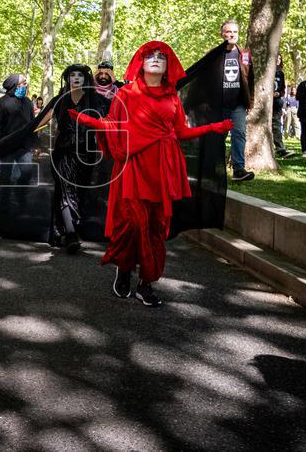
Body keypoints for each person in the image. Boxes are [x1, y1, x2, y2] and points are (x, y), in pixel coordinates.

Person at [71, 42, 233, 306]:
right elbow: (113, 124)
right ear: (141, 63)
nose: (156, 59)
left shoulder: (172, 97)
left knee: (156, 228)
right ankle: (124, 269)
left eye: (161, 56)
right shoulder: (126, 93)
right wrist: (92, 122)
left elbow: (181, 132)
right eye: (150, 56)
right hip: (134, 167)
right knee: (131, 223)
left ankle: (146, 282)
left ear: (168, 65)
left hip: (162, 168)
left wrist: (212, 128)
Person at [34, 64, 108, 254]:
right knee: (66, 190)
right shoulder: (60, 100)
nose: (76, 78)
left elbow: (111, 119)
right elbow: (40, 122)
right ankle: (71, 233)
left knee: (79, 192)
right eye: (72, 75)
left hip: (86, 154)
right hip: (64, 151)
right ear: (67, 79)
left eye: (80, 75)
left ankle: (71, 228)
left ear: (85, 79)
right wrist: (27, 138)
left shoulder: (95, 99)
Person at [218, 20, 254, 181]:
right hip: (219, 104)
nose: (232, 34)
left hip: (238, 104)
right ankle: (216, 169)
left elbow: (251, 78)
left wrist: (250, 100)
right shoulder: (215, 55)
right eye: (228, 31)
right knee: (217, 137)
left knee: (239, 134)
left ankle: (239, 170)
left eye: (235, 32)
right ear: (222, 34)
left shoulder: (245, 55)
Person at [0, 74, 36, 189]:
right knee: (5, 175)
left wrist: (34, 143)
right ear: (15, 85)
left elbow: (33, 123)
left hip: (24, 146)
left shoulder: (28, 102)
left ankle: (19, 193)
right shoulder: (2, 102)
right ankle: (4, 198)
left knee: (27, 172)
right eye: (23, 83)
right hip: (7, 145)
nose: (26, 85)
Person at [271, 55, 293, 158]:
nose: (278, 60)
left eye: (280, 58)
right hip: (265, 103)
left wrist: (279, 93)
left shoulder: (281, 73)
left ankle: (280, 149)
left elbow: (283, 89)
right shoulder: (266, 71)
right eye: (276, 58)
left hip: (277, 103)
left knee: (276, 125)